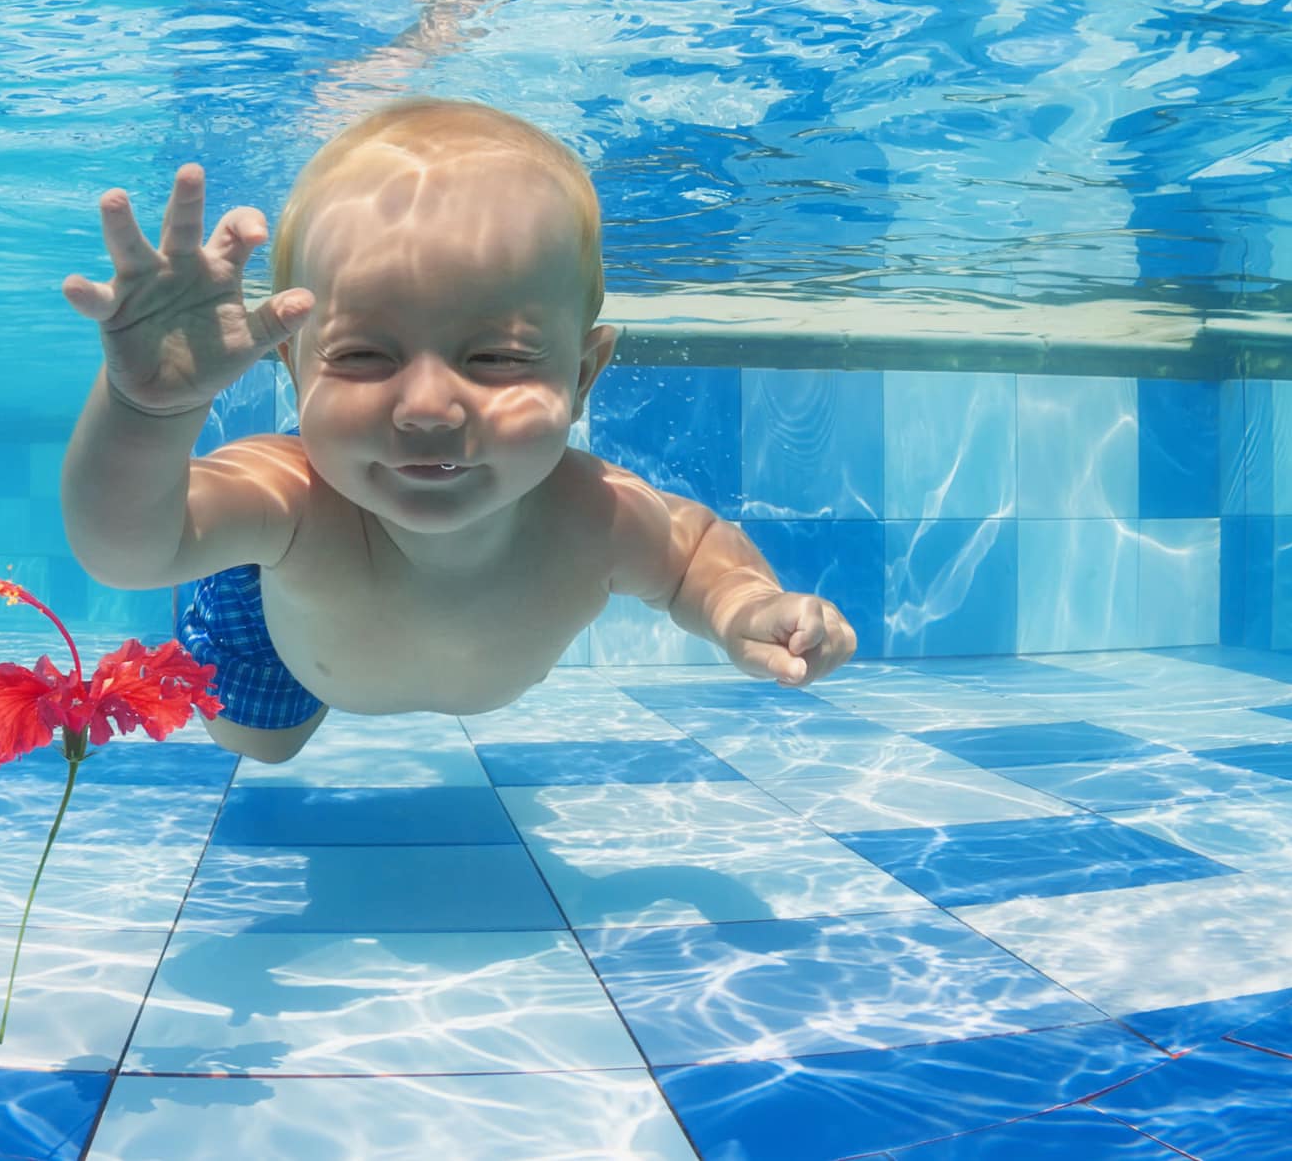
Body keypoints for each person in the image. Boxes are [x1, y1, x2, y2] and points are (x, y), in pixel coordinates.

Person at [60, 98, 857, 764]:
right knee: (263, 746)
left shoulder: (595, 514)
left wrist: (746, 607)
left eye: (496, 357)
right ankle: (230, 579)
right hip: (281, 632)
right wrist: (149, 411)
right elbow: (128, 552)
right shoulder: (288, 498)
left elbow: (694, 559)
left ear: (581, 377)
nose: (428, 409)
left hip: (356, 643)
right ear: (295, 372)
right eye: (366, 354)